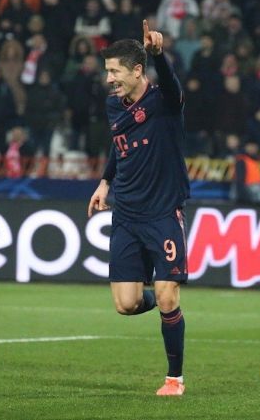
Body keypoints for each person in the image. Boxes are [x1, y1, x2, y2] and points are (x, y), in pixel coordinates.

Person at [87, 21, 189, 397]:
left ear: (137, 70)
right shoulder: (114, 104)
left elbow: (173, 85)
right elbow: (119, 144)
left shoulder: (164, 102)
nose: (108, 78)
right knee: (126, 305)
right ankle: (159, 300)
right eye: (107, 71)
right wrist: (105, 181)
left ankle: (174, 379)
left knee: (167, 295)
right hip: (126, 213)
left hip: (163, 212)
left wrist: (160, 56)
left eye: (114, 71)